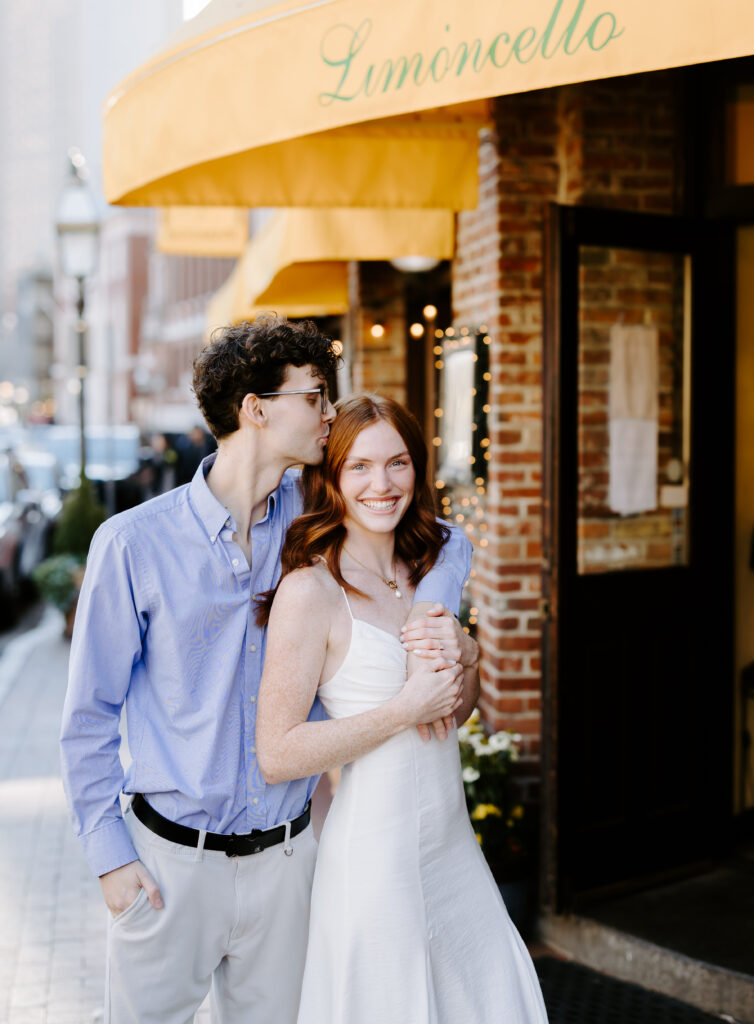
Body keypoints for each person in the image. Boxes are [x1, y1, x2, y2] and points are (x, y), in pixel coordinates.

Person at [59, 315, 476, 1024]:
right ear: (256, 410)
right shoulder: (131, 544)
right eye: (314, 395)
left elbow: (442, 536)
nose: (328, 413)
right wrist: (110, 860)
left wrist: (435, 619)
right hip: (168, 868)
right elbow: (87, 719)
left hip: (289, 864)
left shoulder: (317, 519)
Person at [256, 394, 549, 1024]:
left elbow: (455, 712)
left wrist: (467, 655)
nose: (381, 484)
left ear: (418, 469)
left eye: (397, 463)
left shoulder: (426, 569)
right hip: (373, 859)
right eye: (359, 467)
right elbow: (277, 754)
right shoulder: (311, 590)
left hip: (451, 847)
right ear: (331, 477)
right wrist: (402, 708)